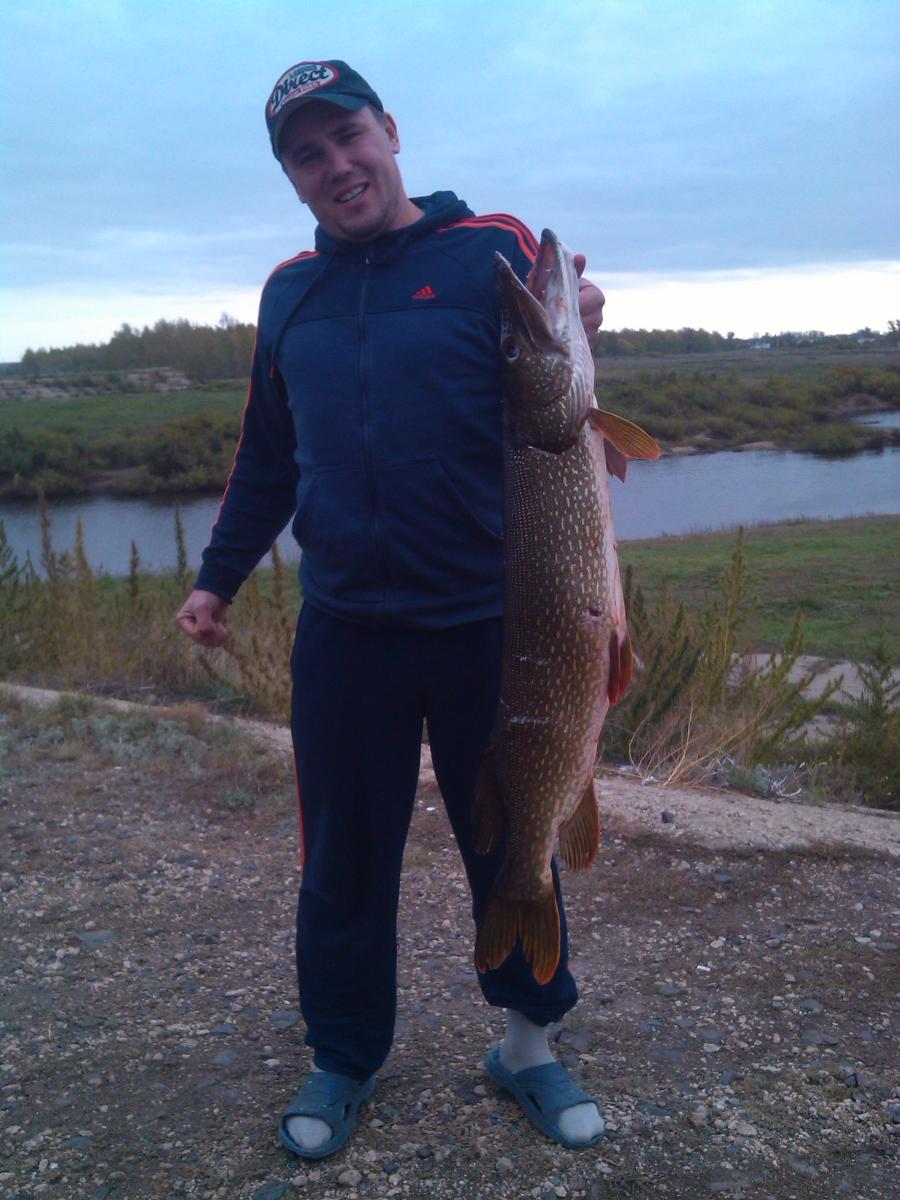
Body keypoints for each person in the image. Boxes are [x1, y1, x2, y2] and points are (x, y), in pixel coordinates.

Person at [175, 59, 607, 1160]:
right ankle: (345, 1055)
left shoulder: (488, 251)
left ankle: (527, 1044)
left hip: (492, 626)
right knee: (343, 858)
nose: (336, 165)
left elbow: (556, 392)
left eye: (349, 136)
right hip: (347, 631)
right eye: (307, 155)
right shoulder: (290, 293)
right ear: (292, 178)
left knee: (514, 829)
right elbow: (268, 456)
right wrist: (217, 578)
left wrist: (591, 319)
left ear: (391, 131)